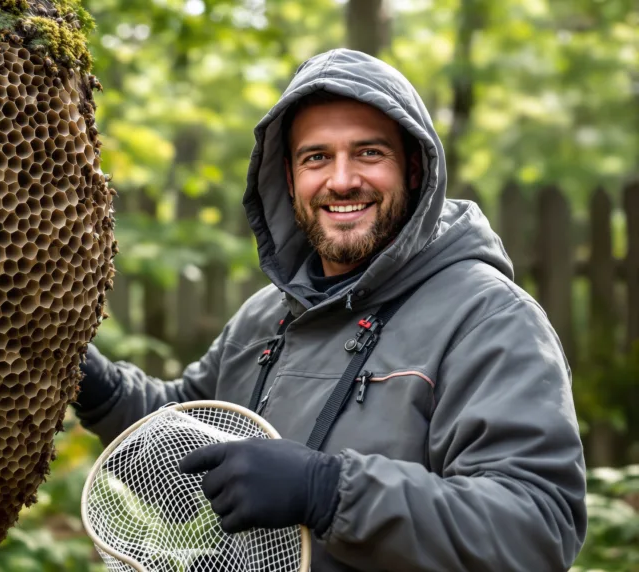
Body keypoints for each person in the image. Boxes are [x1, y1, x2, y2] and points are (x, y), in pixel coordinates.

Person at [72, 48, 588, 571]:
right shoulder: (265, 317)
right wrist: (94, 384)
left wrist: (329, 492)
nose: (341, 180)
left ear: (414, 168)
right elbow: (188, 435)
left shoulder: (489, 318)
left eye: (368, 153)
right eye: (316, 157)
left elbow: (537, 529)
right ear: (288, 178)